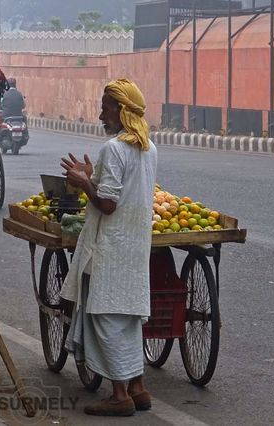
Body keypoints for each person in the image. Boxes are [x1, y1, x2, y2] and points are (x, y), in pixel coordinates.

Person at [60, 78, 158, 417]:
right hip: (135, 244)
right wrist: (93, 176)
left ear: (121, 110)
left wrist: (85, 182)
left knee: (104, 317)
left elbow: (109, 204)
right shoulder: (147, 148)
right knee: (128, 318)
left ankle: (119, 396)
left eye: (106, 107)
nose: (101, 113)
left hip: (111, 246)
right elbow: (122, 190)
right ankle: (138, 387)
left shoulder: (115, 148)